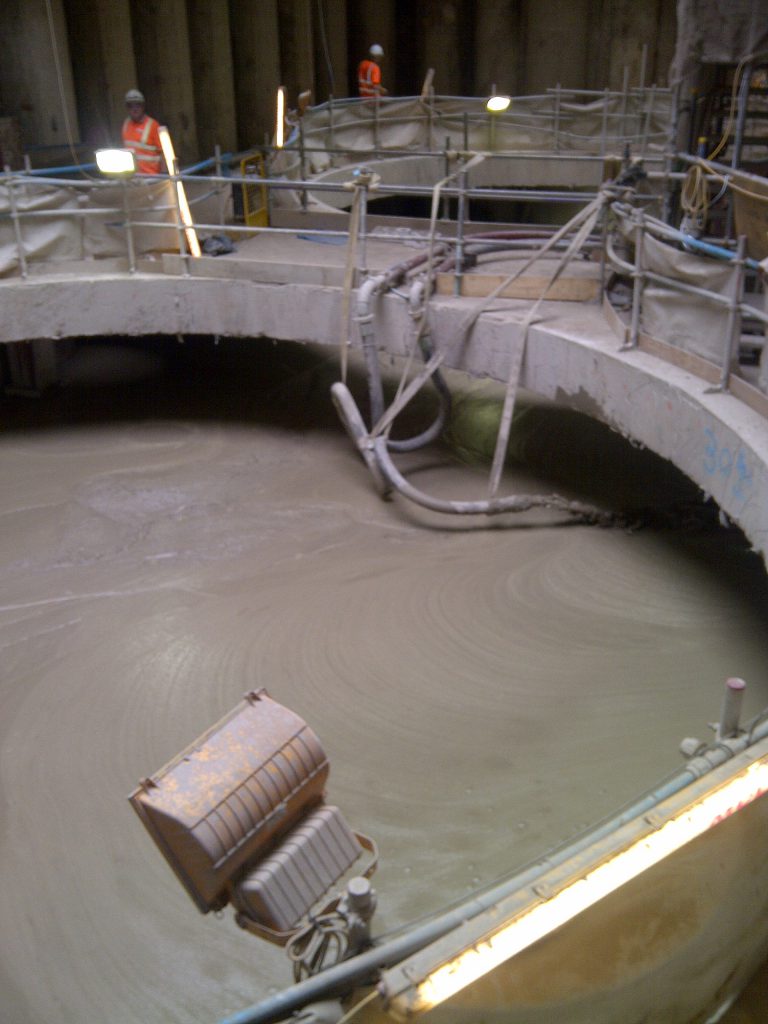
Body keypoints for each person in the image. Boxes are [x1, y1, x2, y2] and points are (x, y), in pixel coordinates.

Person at [121, 89, 163, 174]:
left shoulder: (153, 125)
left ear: (143, 106)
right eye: (131, 106)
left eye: (138, 105)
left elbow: (164, 153)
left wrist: (165, 177)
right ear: (127, 108)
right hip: (132, 177)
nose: (134, 109)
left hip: (151, 178)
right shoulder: (126, 125)